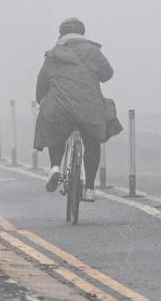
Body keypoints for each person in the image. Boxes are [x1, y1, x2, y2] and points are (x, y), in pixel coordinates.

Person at [33, 17, 121, 202]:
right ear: (82, 33)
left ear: (61, 34)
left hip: (59, 106)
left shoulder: (53, 54)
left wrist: (42, 101)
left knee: (55, 134)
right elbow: (108, 74)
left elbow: (42, 83)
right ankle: (89, 188)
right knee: (92, 142)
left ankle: (55, 167)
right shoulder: (94, 52)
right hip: (89, 107)